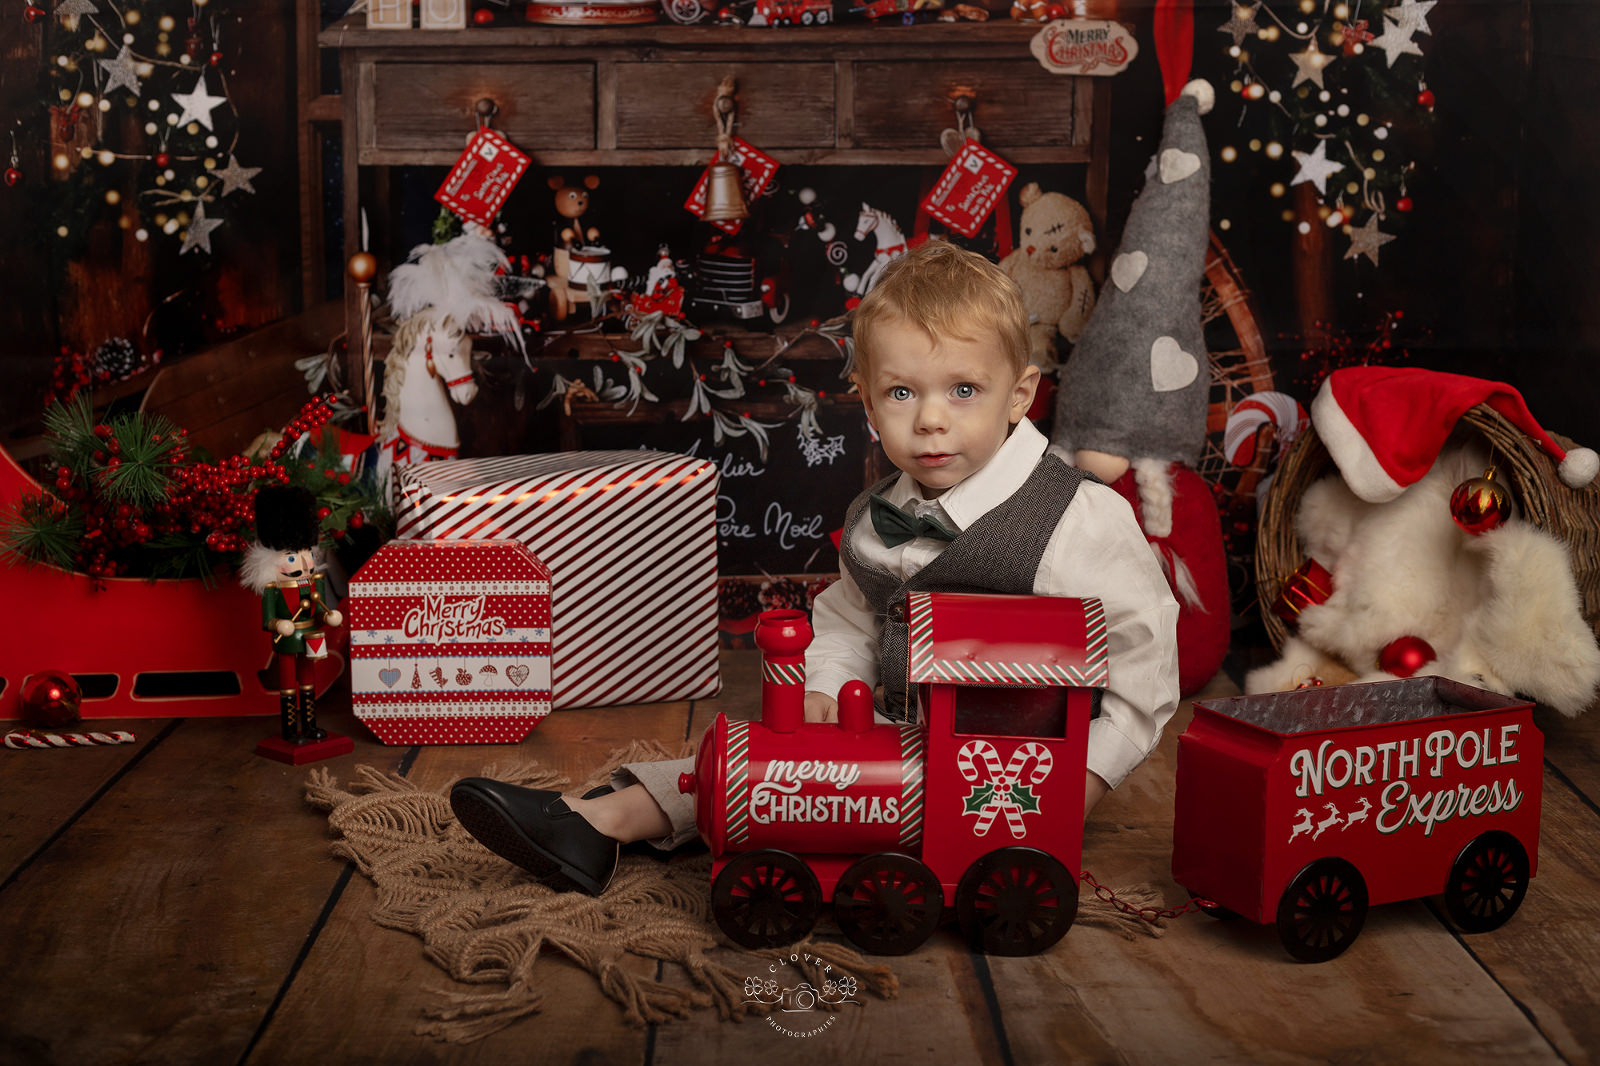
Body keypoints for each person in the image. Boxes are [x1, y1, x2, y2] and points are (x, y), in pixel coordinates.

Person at [450, 241, 1181, 896]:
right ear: (867, 402)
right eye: (902, 393)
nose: (931, 419)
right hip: (888, 745)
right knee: (768, 773)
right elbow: (850, 618)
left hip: (1002, 777)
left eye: (964, 390)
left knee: (791, 793)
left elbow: (1144, 657)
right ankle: (591, 823)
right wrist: (830, 685)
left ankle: (602, 822)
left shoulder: (1076, 521)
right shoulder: (875, 516)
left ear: (1019, 396)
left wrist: (1080, 782)